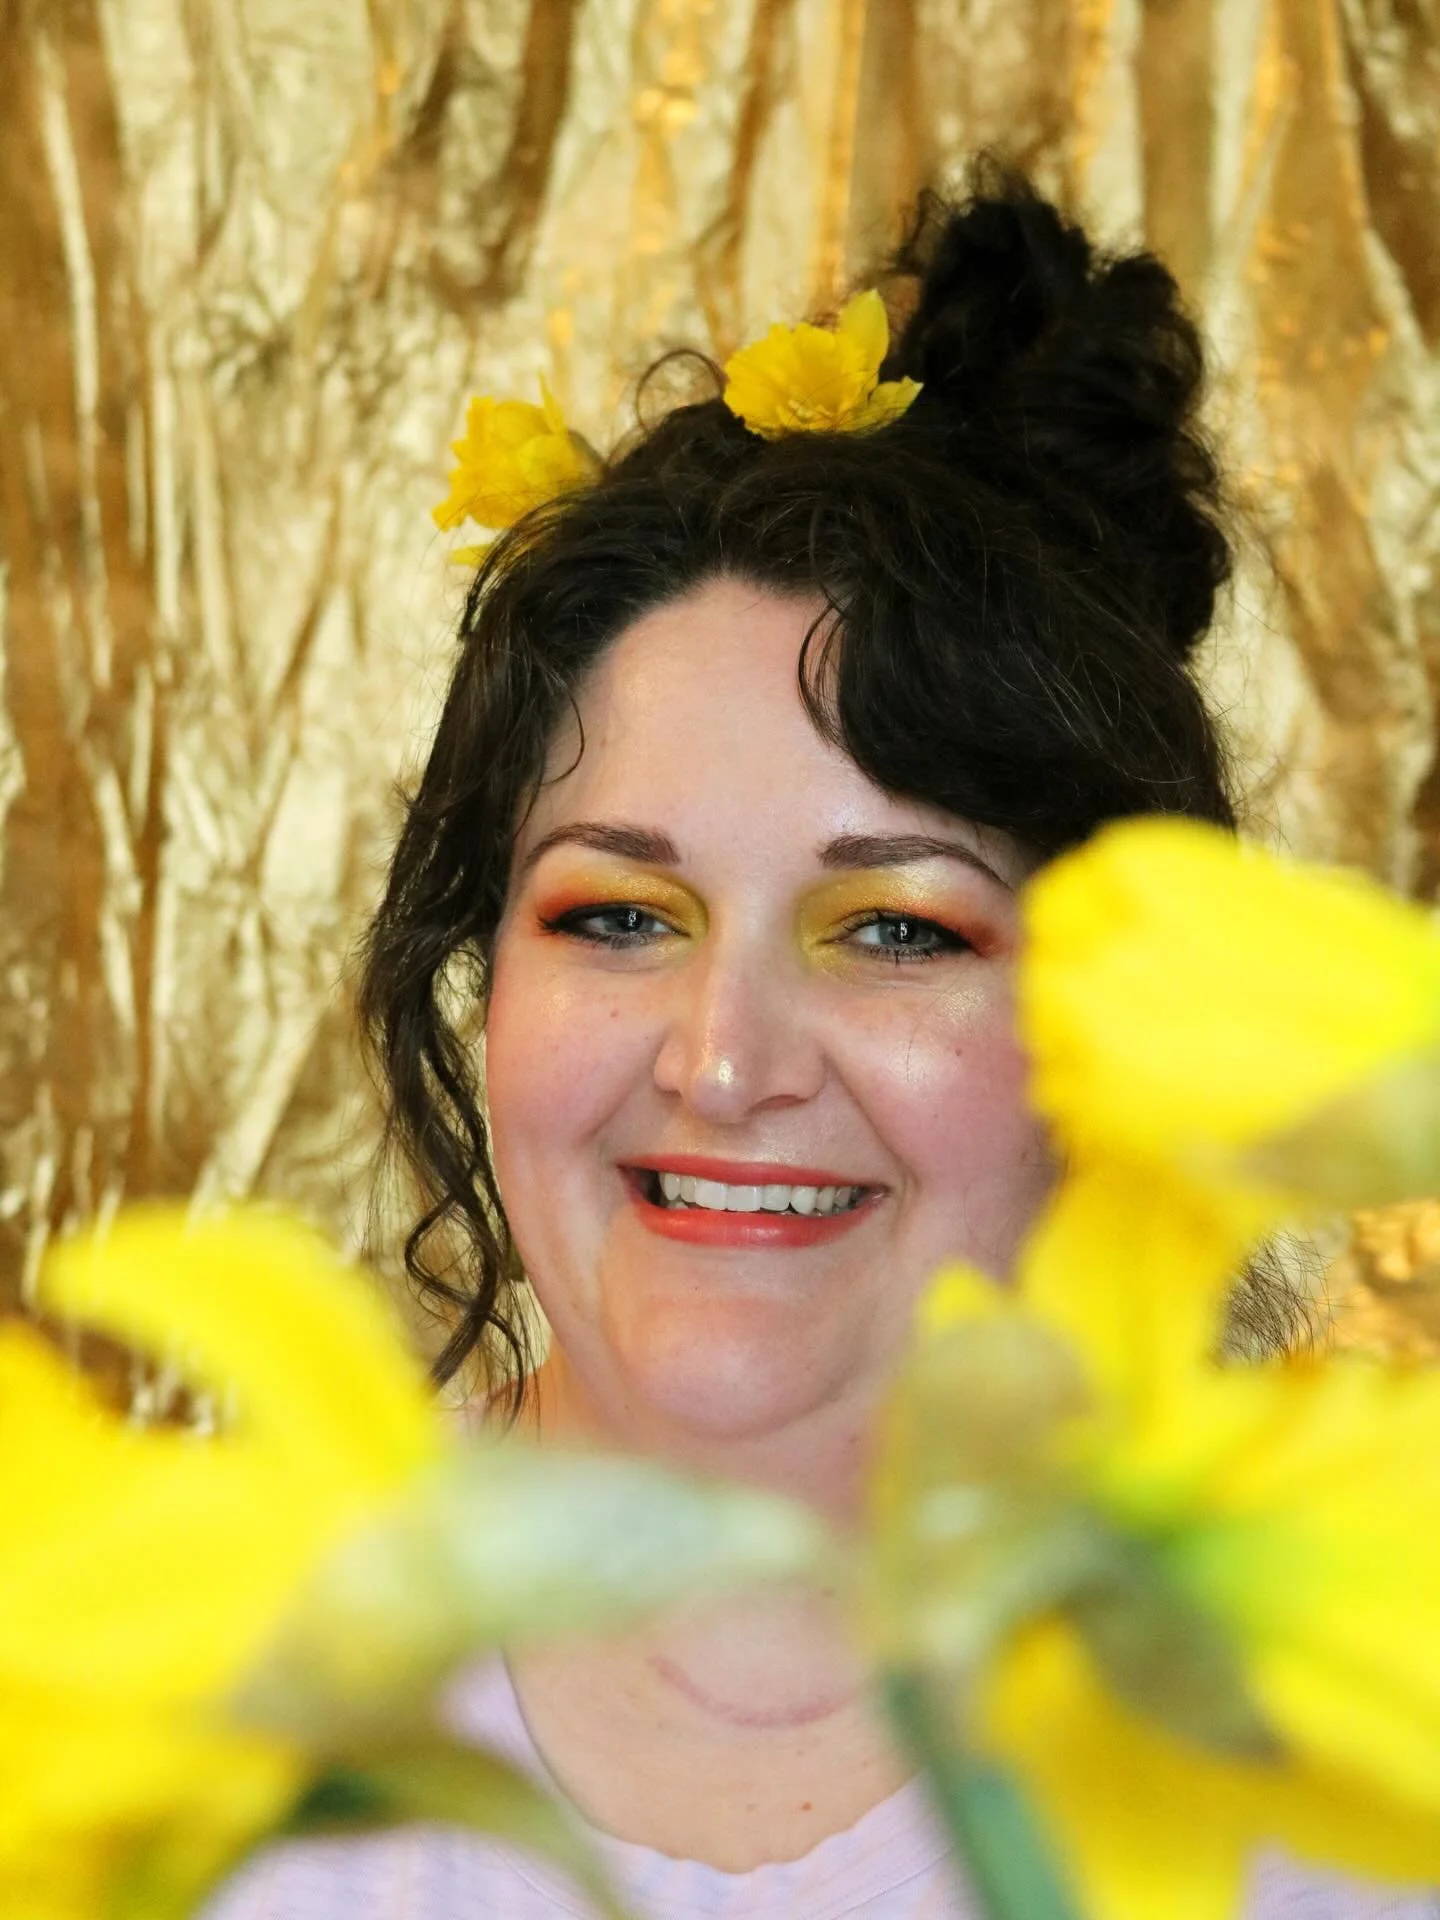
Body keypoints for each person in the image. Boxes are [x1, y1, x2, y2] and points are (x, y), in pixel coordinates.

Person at [204, 167, 1433, 1920]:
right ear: (486, 978)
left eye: (897, 931)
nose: (723, 1061)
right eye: (617, 914)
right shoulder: (182, 1698)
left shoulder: (1359, 1761)